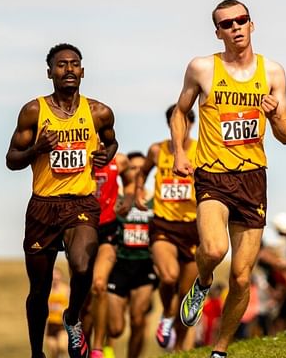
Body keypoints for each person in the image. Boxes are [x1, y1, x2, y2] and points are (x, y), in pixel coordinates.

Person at [171, 0, 286, 358]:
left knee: (241, 276)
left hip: (253, 178)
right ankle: (204, 280)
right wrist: (180, 151)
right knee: (213, 249)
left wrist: (274, 117)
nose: (236, 27)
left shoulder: (272, 73)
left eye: (241, 20)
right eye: (227, 24)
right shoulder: (201, 69)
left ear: (252, 25)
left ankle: (220, 350)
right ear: (218, 32)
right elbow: (180, 111)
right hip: (212, 174)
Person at [6, 43, 118, 358]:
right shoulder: (33, 111)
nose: (68, 69)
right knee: (39, 290)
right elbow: (12, 159)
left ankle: (72, 318)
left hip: (80, 203)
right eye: (61, 65)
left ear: (82, 71)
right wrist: (36, 149)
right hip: (43, 206)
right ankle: (36, 353)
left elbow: (111, 143)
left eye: (74, 64)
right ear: (49, 72)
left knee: (82, 266)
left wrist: (103, 156)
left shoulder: (98, 112)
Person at [125, 105, 200, 352]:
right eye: (173, 122)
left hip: (192, 227)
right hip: (164, 225)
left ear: (191, 124)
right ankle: (166, 313)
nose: (178, 127)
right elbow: (143, 171)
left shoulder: (201, 150)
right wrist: (137, 190)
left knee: (186, 295)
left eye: (183, 122)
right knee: (168, 276)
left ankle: (179, 346)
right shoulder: (157, 150)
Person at [105, 151, 159, 358]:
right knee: (116, 327)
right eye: (132, 168)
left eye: (140, 168)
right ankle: (105, 347)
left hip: (144, 266)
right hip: (118, 266)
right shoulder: (116, 200)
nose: (136, 172)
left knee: (138, 319)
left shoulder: (155, 202)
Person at [82, 152, 134, 358]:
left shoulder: (119, 161)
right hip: (81, 230)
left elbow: (130, 182)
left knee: (99, 284)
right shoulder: (80, 157)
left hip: (108, 231)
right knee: (83, 299)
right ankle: (81, 348)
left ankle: (98, 348)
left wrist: (128, 200)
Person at [46, 268, 70, 358]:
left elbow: (72, 306)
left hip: (62, 324)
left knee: (62, 346)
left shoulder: (66, 289)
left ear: (60, 276)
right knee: (53, 350)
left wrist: (62, 309)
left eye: (57, 275)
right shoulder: (46, 290)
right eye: (53, 275)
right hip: (50, 324)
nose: (55, 277)